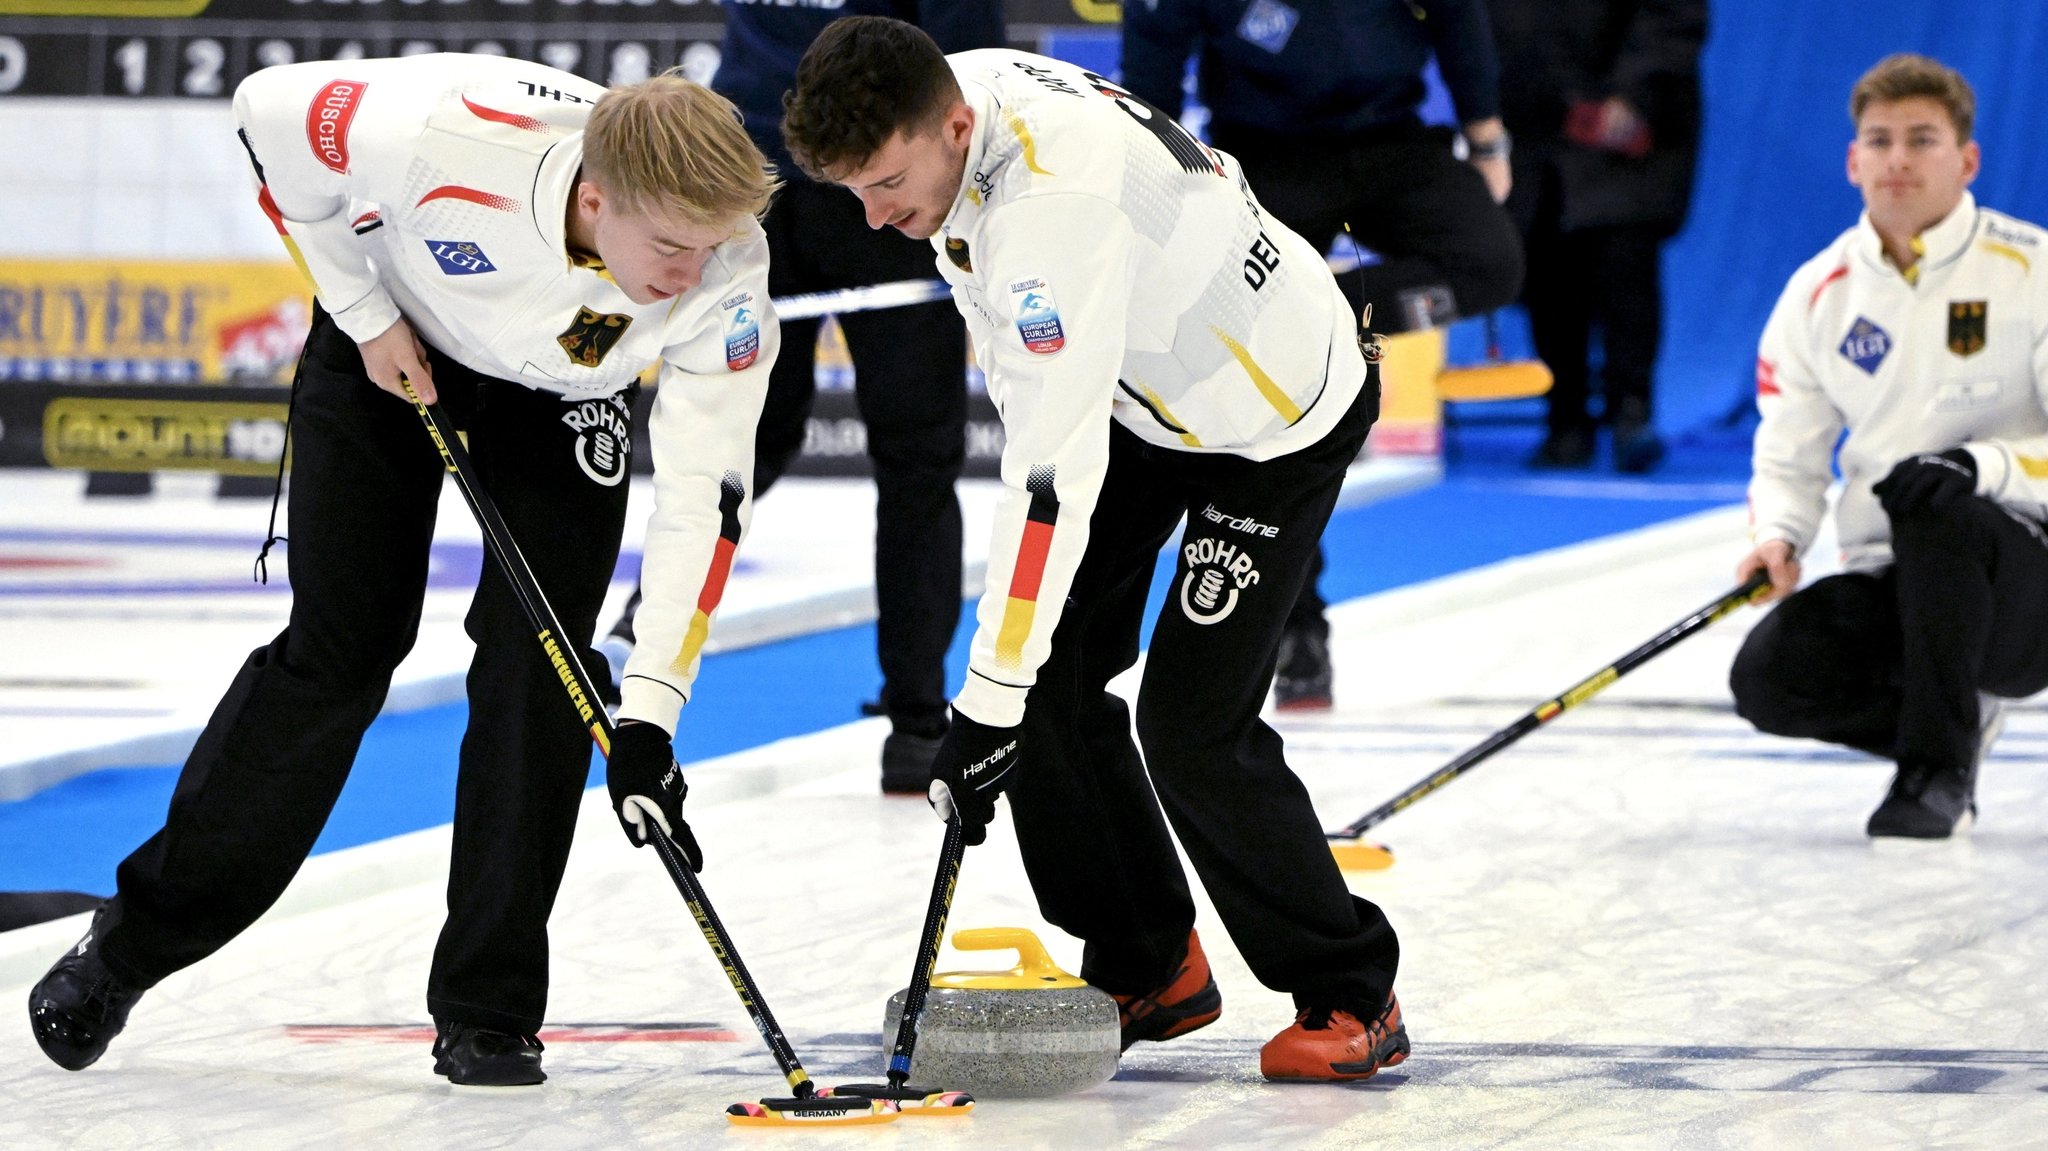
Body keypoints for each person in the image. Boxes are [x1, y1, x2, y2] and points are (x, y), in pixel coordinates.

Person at [27, 53, 781, 1085]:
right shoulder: (439, 134)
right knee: (343, 650)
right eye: (668, 246)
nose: (690, 272)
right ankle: (128, 946)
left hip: (565, 391)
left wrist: (650, 709)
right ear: (595, 196)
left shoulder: (727, 264)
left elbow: (705, 498)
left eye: (710, 248)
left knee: (544, 669)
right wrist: (364, 313)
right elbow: (266, 112)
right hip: (393, 338)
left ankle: (490, 1008)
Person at [783, 17, 1407, 1082]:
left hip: (1273, 417)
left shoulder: (1048, 211)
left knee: (1190, 723)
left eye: (886, 184)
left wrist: (976, 702)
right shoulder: (956, 99)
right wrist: (1003, 693)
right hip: (1147, 387)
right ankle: (1146, 961)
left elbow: (1045, 476)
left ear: (952, 126)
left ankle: (1352, 989)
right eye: (856, 194)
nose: (878, 219)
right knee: (1048, 680)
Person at [599, 3, 1003, 795]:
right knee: (750, 434)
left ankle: (917, 723)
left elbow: (963, 56)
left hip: (869, 174)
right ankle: (634, 643)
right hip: (762, 173)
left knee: (913, 455)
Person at [1122, 0, 1524, 710]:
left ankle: (1322, 301)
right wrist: (1157, 195)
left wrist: (1485, 138)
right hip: (1262, 152)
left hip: (1391, 138)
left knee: (1492, 263)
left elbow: (1459, 13)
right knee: (1261, 417)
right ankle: (1298, 627)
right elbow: (1153, 58)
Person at [1729, 54, 2048, 840]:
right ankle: (1952, 721)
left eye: (1922, 139)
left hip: (2027, 581)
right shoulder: (1817, 293)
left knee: (1942, 509)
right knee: (1770, 677)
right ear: (1852, 160)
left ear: (1967, 159)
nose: (1898, 159)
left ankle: (1935, 774)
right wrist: (1779, 536)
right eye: (1879, 140)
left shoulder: (2033, 270)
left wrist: (1983, 465)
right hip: (1895, 580)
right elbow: (1789, 451)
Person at [1487, 0, 1706, 472]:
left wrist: (1634, 94)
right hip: (1532, 124)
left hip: (1626, 124)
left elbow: (1673, 17)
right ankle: (1564, 419)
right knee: (1545, 269)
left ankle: (1632, 414)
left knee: (1623, 267)